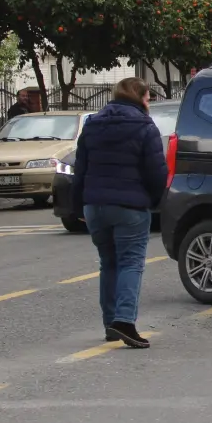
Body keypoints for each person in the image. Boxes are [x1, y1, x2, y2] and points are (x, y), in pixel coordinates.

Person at [70, 77, 168, 349]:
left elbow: (81, 169)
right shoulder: (144, 125)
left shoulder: (92, 124)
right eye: (148, 98)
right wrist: (154, 200)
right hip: (130, 207)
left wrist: (79, 206)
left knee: (109, 263)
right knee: (130, 263)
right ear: (140, 97)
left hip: (94, 206)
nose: (149, 104)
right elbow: (156, 170)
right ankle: (125, 321)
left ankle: (110, 324)